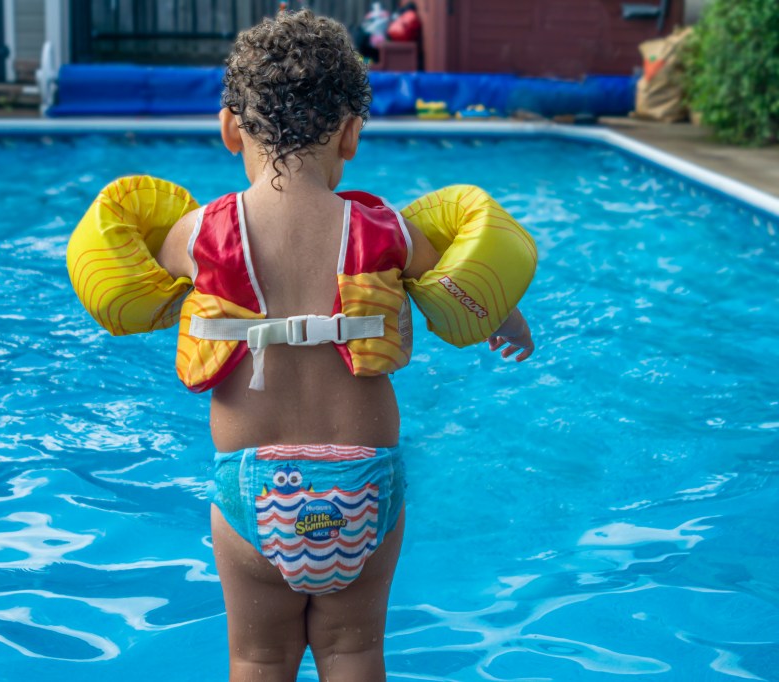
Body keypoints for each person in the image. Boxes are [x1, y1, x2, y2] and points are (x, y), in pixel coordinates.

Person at [150, 10, 535, 681]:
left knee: (258, 658)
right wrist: (503, 315)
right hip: (366, 486)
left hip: (252, 487)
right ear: (352, 134)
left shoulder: (201, 233)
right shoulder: (382, 229)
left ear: (229, 127)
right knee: (353, 652)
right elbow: (465, 282)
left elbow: (137, 280)